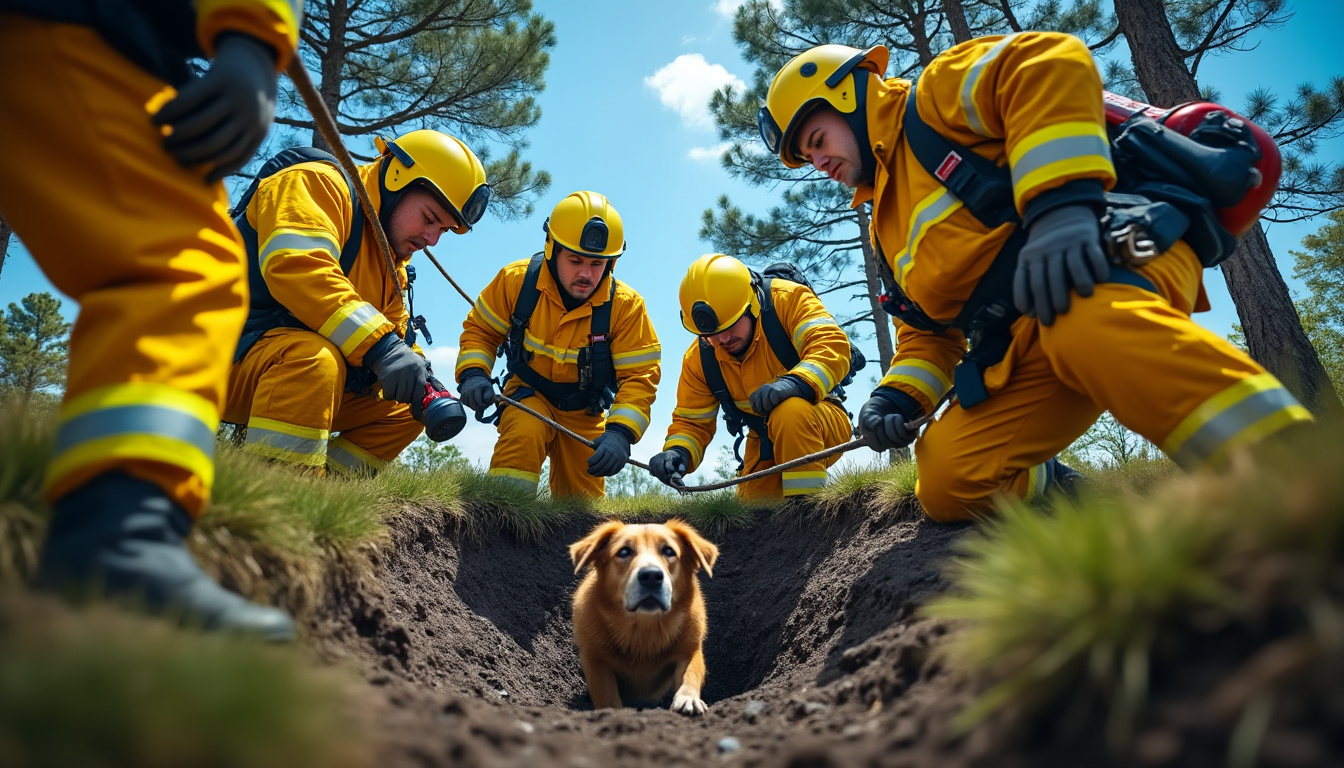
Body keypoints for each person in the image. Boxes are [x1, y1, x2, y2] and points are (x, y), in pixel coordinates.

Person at [755, 33, 1314, 522]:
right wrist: (897, 399)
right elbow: (930, 335)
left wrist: (1060, 208)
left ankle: (1299, 481)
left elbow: (1049, 61)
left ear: (848, 97)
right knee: (946, 480)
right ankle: (1077, 500)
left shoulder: (934, 97)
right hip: (1030, 339)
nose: (817, 163)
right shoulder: (885, 225)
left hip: (1111, 258)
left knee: (1080, 324)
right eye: (806, 158)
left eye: (817, 141)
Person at [0, 0, 303, 637]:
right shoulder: (326, 196)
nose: (437, 238)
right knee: (182, 259)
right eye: (433, 218)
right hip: (68, 25)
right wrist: (252, 37)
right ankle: (119, 537)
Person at [223, 129, 490, 476]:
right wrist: (383, 349)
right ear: (396, 179)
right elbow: (299, 269)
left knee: (407, 411)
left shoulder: (390, 263)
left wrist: (423, 380)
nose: (432, 239)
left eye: (444, 230)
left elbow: (396, 335)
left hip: (289, 373)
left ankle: (332, 501)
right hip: (213, 356)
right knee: (314, 360)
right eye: (429, 218)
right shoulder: (315, 182)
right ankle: (274, 502)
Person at [455, 192, 661, 498]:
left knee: (582, 510)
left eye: (596, 264)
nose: (585, 274)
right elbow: (481, 332)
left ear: (612, 263)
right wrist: (473, 372)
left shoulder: (627, 308)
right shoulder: (516, 282)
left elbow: (639, 379)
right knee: (524, 433)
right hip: (528, 395)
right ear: (551, 249)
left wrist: (619, 434)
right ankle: (502, 526)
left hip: (585, 412)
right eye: (575, 260)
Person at [648, 254, 854, 499]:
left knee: (790, 411)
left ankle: (808, 516)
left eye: (731, 326)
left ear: (752, 305)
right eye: (712, 334)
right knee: (755, 516)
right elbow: (692, 422)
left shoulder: (787, 300)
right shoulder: (700, 358)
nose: (723, 340)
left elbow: (832, 345)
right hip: (763, 439)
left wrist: (795, 383)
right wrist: (677, 452)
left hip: (821, 419)